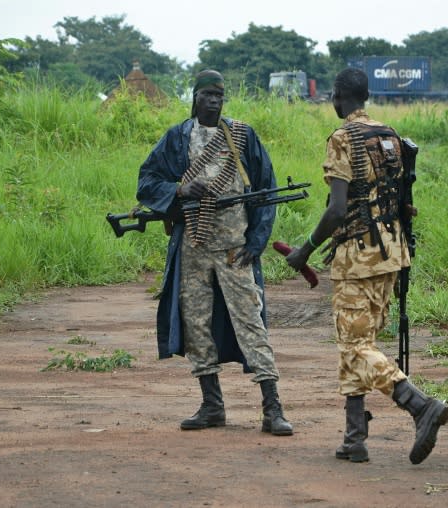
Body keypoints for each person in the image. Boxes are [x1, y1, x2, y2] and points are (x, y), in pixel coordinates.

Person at [285, 68, 448, 463]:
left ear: (340, 96)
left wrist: (305, 249)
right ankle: (354, 438)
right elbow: (392, 201)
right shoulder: (389, 135)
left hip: (359, 259)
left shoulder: (343, 138)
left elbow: (337, 208)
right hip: (390, 253)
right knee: (357, 342)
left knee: (356, 347)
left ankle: (419, 405)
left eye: (333, 95)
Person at [135, 70, 292, 436]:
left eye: (219, 95)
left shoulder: (242, 136)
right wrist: (181, 189)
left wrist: (257, 241)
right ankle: (211, 405)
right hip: (193, 248)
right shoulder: (178, 138)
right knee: (196, 326)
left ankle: (272, 408)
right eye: (207, 94)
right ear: (195, 97)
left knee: (251, 324)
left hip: (235, 250)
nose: (214, 101)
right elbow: (147, 181)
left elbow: (265, 191)